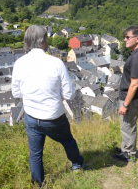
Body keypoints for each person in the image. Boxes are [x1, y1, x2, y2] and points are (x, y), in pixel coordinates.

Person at [12, 25, 84, 187]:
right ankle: (77, 165)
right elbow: (69, 95)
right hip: (54, 117)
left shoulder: (19, 63)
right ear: (43, 41)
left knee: (36, 153)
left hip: (31, 117)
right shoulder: (56, 63)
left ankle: (40, 183)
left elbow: (16, 94)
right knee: (68, 141)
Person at [113, 25, 138, 162]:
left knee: (127, 125)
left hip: (130, 98)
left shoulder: (137, 58)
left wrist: (125, 104)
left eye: (127, 37)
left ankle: (128, 154)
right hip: (135, 95)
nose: (124, 40)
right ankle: (126, 148)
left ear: (137, 38)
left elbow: (134, 84)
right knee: (127, 124)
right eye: (124, 37)